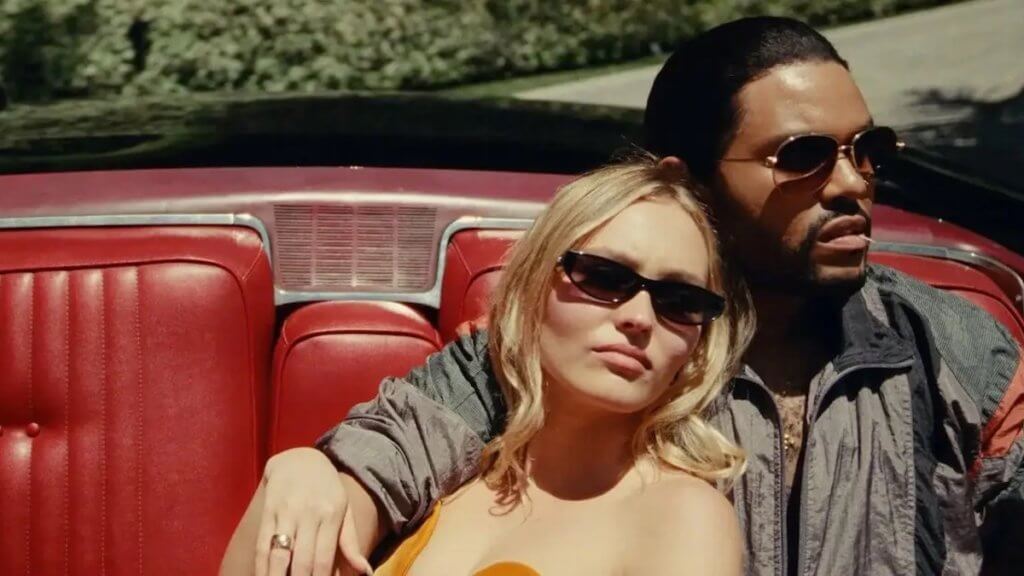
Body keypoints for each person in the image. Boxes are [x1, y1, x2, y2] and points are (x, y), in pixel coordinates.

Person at [246, 16, 1024, 576]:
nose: (853, 183)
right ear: (689, 180)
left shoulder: (957, 347)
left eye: (868, 150)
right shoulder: (586, 348)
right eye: (805, 157)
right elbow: (390, 454)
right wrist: (314, 474)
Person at [221, 161, 755, 576]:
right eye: (604, 277)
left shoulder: (683, 515)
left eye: (680, 299)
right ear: (531, 284)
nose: (639, 318)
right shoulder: (444, 473)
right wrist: (299, 471)